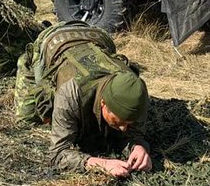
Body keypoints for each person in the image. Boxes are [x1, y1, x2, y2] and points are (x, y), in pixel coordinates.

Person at [15, 21, 152, 177]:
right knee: (27, 119)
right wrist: (101, 164)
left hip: (97, 37)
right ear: (103, 103)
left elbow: (135, 134)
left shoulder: (137, 94)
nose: (123, 129)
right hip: (52, 41)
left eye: (129, 123)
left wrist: (139, 147)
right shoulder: (70, 93)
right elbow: (57, 154)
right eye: (119, 121)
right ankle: (38, 31)